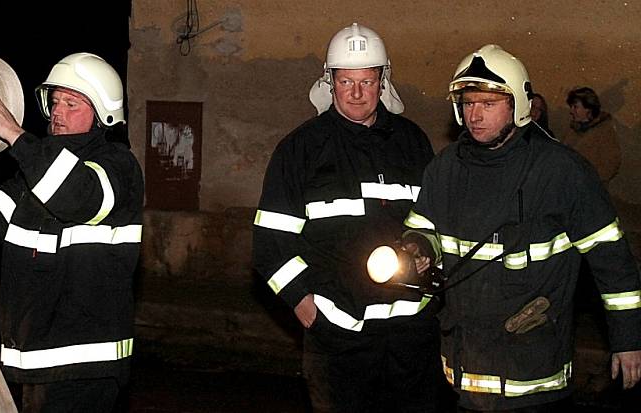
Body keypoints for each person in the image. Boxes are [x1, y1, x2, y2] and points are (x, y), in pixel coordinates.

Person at [402, 44, 641, 412]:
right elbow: (422, 229)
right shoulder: (445, 169)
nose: (475, 115)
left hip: (534, 376)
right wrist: (417, 248)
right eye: (468, 103)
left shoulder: (562, 172)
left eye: (488, 104)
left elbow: (612, 260)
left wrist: (628, 338)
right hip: (463, 373)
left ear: (519, 106)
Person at [0, 52, 144, 412]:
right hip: (38, 362)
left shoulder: (117, 165)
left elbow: (76, 197)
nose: (58, 112)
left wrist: (13, 134)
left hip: (84, 366)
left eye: (72, 103)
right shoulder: (34, 176)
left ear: (103, 113)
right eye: (54, 102)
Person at [253, 23, 443, 412]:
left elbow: (436, 218)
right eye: (346, 82)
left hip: (410, 337)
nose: (357, 93)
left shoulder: (412, 142)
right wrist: (303, 304)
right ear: (330, 82)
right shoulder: (301, 150)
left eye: (367, 81)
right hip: (338, 338)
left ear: (382, 81)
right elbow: (270, 242)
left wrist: (425, 247)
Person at [560, 86, 621, 184]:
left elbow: (611, 164)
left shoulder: (604, 131)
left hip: (590, 190)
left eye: (575, 107)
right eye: (571, 107)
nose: (571, 111)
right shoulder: (572, 130)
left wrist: (588, 178)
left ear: (588, 109)